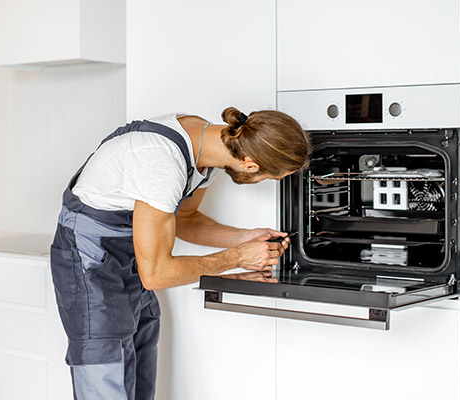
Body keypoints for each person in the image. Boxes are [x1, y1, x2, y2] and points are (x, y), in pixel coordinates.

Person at [50, 107, 311, 399]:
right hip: (92, 258)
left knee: (139, 359)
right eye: (268, 178)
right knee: (106, 363)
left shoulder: (205, 145)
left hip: (131, 254)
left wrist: (244, 238)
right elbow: (156, 274)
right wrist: (236, 258)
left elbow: (185, 221)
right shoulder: (162, 162)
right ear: (250, 165)